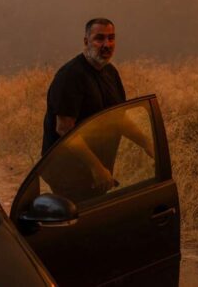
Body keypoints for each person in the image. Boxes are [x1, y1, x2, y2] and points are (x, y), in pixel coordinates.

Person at [41, 18, 153, 202]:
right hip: (68, 172)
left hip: (98, 169)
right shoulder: (70, 76)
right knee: (79, 223)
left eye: (111, 38)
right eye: (99, 38)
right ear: (86, 41)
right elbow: (64, 129)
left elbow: (118, 118)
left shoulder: (110, 72)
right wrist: (96, 167)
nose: (107, 44)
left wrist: (147, 144)